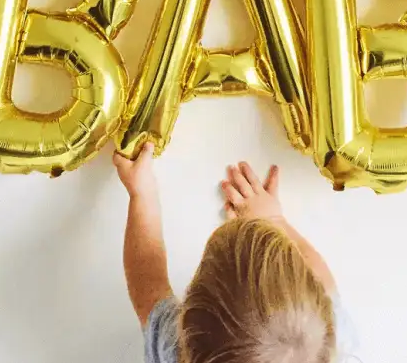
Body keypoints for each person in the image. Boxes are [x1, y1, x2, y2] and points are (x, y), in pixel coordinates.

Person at [113, 143, 353, 363]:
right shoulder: (338, 347)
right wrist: (274, 219)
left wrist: (141, 193)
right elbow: (325, 284)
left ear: (184, 328)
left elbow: (148, 285)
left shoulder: (171, 351)